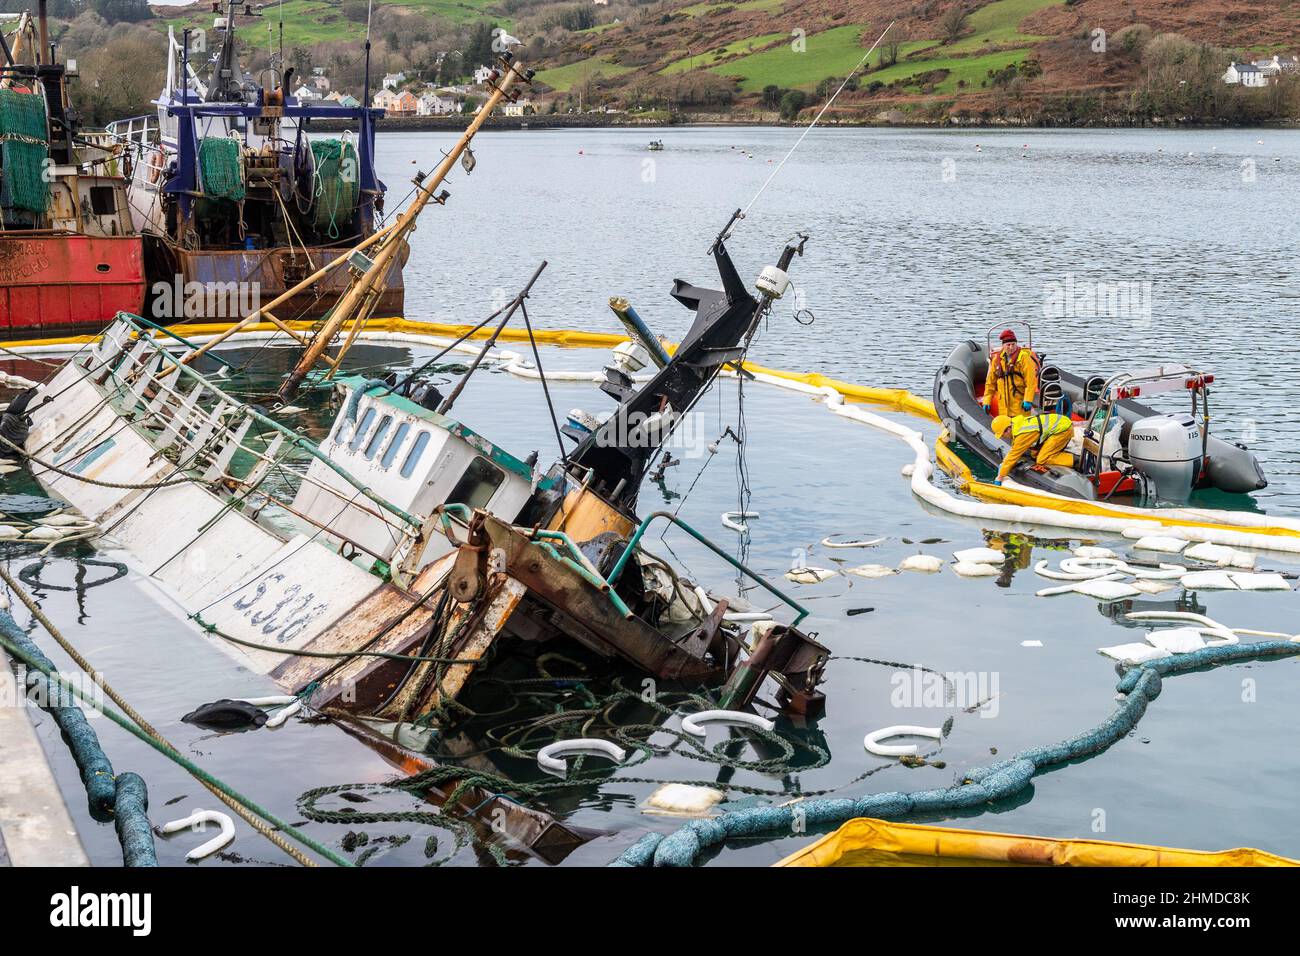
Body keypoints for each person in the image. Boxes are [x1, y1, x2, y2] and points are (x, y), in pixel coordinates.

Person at [991, 412, 1074, 484]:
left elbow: (1013, 455)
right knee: (1035, 454)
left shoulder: (1022, 434)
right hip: (1059, 425)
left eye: (1002, 435)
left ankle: (1074, 460)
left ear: (1008, 430)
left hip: (1063, 430)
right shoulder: (1016, 423)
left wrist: (1000, 476)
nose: (1003, 437)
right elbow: (1032, 440)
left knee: (1042, 459)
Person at [982, 329, 1038, 416]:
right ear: (1003, 345)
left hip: (1019, 404)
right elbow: (990, 383)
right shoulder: (997, 360)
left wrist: (1028, 399)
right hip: (1003, 406)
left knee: (1020, 426)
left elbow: (1030, 381)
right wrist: (987, 400)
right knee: (1006, 427)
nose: (1011, 347)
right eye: (1008, 345)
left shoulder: (1024, 358)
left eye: (1013, 344)